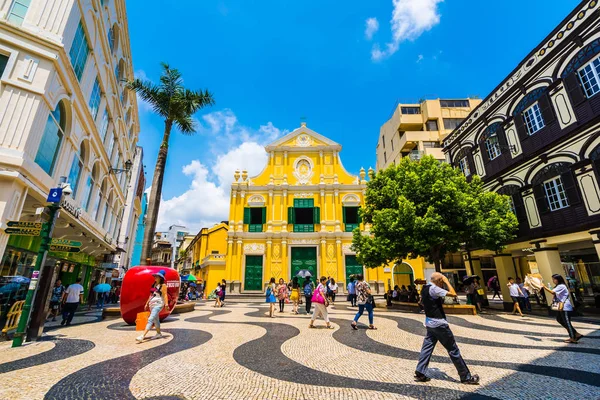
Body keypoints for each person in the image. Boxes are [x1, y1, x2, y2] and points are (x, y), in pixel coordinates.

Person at [415, 272, 479, 385]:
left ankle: (420, 371)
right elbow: (454, 294)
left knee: (427, 347)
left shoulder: (425, 288)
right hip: (439, 324)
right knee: (453, 349)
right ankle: (466, 377)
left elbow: (421, 302)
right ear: (439, 281)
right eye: (441, 280)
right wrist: (446, 281)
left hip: (430, 323)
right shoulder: (434, 289)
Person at [542, 274, 583, 344]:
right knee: (559, 319)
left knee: (566, 322)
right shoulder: (558, 286)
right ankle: (575, 333)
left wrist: (544, 287)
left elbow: (552, 292)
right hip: (561, 307)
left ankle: (573, 337)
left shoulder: (561, 286)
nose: (553, 281)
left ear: (558, 279)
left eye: (554, 279)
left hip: (565, 307)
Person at [136, 270, 170, 342]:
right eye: (155, 276)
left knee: (150, 319)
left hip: (158, 304)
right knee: (156, 320)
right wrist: (147, 303)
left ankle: (142, 336)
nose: (155, 277)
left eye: (157, 276)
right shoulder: (154, 285)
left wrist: (166, 304)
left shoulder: (163, 286)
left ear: (160, 278)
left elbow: (165, 295)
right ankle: (158, 333)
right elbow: (151, 295)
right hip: (152, 304)